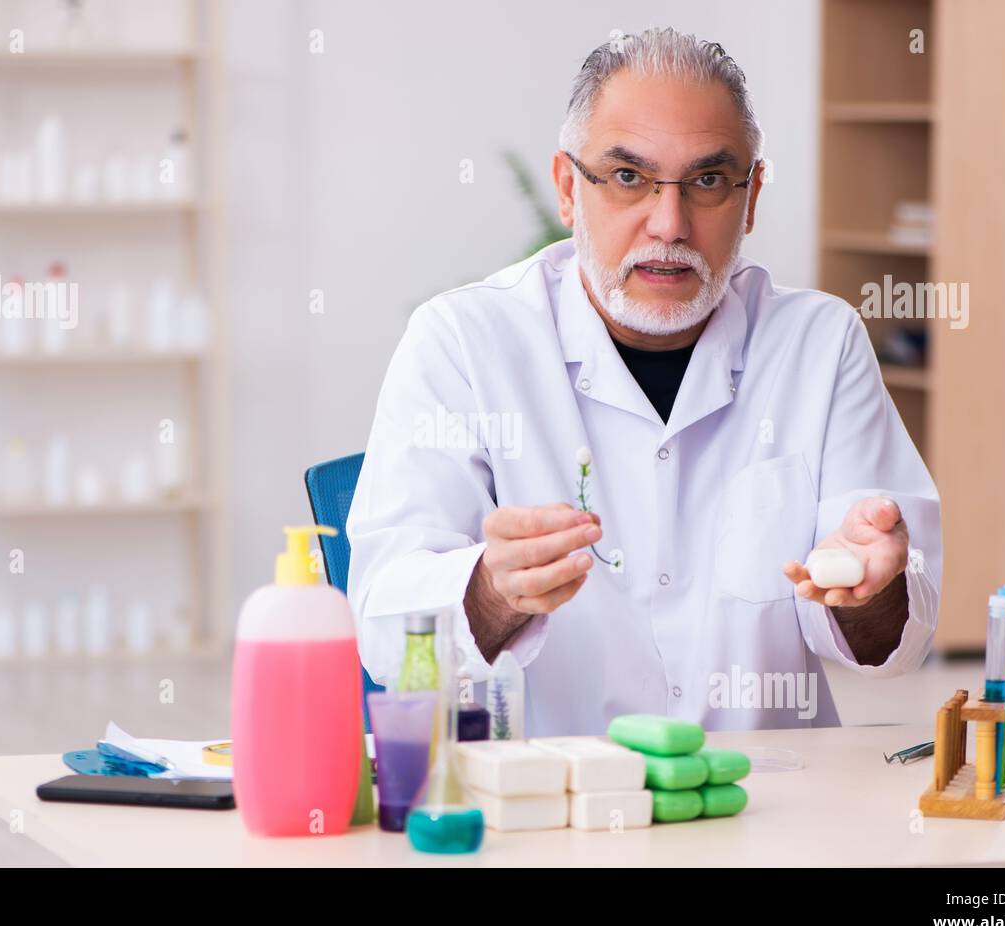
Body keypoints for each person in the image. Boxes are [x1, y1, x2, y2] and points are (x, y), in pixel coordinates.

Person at [346, 27, 940, 736]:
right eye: (629, 178)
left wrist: (870, 590)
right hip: (550, 814)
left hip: (764, 809)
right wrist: (492, 589)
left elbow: (895, 645)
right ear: (569, 189)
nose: (670, 222)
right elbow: (385, 627)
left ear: (750, 199)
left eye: (709, 181)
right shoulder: (465, 342)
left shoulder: (819, 343)